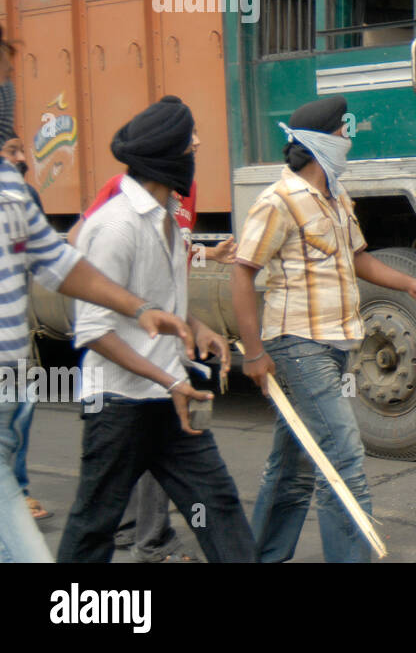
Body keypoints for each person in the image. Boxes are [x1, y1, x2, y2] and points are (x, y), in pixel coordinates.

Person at [232, 95, 416, 563]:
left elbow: (357, 260)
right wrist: (253, 352)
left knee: (293, 461)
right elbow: (242, 270)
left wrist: (413, 284)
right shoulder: (279, 201)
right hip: (296, 345)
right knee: (344, 455)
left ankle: (260, 554)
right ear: (317, 143)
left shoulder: (335, 196)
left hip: (334, 343)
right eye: (341, 132)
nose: (347, 140)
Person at [0, 30, 191, 563]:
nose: (6, 98)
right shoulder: (116, 210)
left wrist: (141, 308)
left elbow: (60, 263)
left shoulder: (13, 188)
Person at [57, 96, 254, 563]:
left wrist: (199, 326)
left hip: (172, 402)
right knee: (94, 526)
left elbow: (160, 301)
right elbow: (91, 330)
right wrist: (168, 379)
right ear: (168, 156)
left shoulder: (169, 220)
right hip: (120, 406)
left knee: (218, 506)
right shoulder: (115, 226)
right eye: (190, 144)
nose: (196, 149)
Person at [0, 116, 51, 522]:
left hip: (16, 334)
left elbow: (50, 258)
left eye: (23, 151)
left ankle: (16, 491)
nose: (23, 159)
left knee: (25, 405)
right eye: (13, 150)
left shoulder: (24, 196)